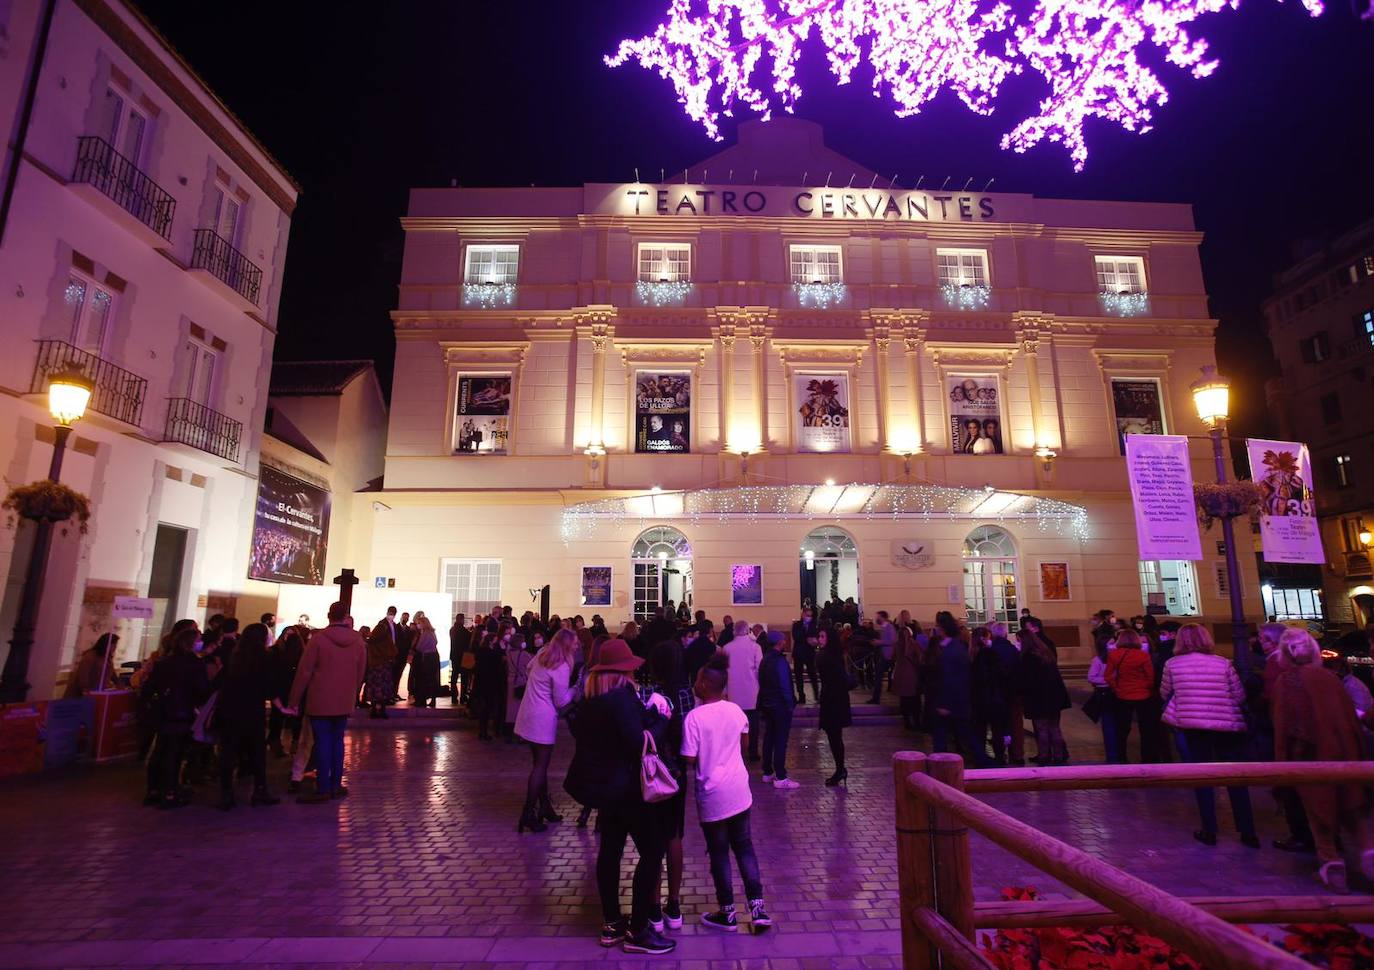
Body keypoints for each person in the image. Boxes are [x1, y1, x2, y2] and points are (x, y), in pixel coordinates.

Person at [563, 639, 675, 955]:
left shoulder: (589, 701)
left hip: (603, 789)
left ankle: (611, 923)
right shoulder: (619, 700)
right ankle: (639, 930)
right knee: (652, 852)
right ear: (621, 672)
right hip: (628, 789)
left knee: (610, 852)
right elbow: (639, 741)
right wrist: (661, 717)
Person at [1272, 629, 1374, 893]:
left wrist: (1281, 765)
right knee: (1354, 811)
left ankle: (1332, 865)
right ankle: (1368, 856)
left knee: (1319, 814)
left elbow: (1284, 725)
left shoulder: (1288, 681)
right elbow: (1350, 718)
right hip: (1345, 752)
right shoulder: (1330, 677)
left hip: (1311, 754)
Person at [682, 652, 771, 933]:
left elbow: (690, 758)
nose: (695, 683)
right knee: (744, 847)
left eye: (698, 679)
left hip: (712, 793)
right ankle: (757, 909)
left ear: (706, 685)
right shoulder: (736, 711)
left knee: (719, 852)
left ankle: (728, 912)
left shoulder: (694, 718)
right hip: (738, 790)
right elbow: (744, 744)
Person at [1159, 624, 1259, 849]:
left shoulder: (1172, 664)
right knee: (1235, 778)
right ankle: (1248, 831)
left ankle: (1209, 829)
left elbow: (1165, 693)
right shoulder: (1223, 663)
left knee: (1203, 777)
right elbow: (1239, 695)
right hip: (1227, 725)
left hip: (1192, 725)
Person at [287, 602, 367, 803]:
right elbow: (360, 672)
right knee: (337, 741)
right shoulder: (357, 640)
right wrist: (353, 693)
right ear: (345, 617)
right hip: (343, 700)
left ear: (329, 615)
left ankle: (322, 787)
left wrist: (294, 699)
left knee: (321, 742)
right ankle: (335, 784)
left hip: (320, 699)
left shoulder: (318, 639)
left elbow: (304, 671)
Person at [642, 637, 693, 932]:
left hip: (652, 771)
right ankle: (673, 903)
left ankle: (653, 906)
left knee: (653, 840)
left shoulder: (649, 693)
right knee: (675, 836)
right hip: (677, 772)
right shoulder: (685, 694)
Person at [514, 628, 579, 833]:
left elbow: (528, 669)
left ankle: (544, 807)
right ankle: (528, 812)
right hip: (543, 717)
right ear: (567, 645)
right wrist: (576, 689)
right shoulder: (561, 666)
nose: (577, 646)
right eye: (575, 643)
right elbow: (561, 700)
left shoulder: (542, 654)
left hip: (528, 711)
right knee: (541, 766)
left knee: (538, 764)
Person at [214, 623, 281, 811]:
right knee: (257, 751)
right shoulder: (265, 658)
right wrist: (282, 707)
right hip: (253, 710)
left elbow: (218, 682)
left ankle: (226, 793)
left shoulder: (234, 656)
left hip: (229, 709)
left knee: (228, 752)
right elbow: (270, 687)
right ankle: (260, 790)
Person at [141, 625, 208, 808]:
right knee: (175, 753)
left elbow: (149, 687)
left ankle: (153, 789)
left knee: (160, 750)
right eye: (198, 640)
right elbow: (201, 690)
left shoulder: (164, 662)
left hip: (163, 712)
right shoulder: (194, 663)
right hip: (182, 712)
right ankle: (170, 791)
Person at [930, 622, 983, 764]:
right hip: (956, 699)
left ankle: (939, 764)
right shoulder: (955, 647)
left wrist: (944, 702)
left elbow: (951, 677)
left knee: (955, 733)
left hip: (953, 700)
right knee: (963, 733)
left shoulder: (952, 650)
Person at [1019, 628, 1070, 766]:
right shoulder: (1046, 654)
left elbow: (1027, 681)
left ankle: (1044, 754)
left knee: (1041, 728)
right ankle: (1059, 755)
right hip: (1054, 697)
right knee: (1054, 727)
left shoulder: (1028, 658)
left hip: (1039, 698)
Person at [1105, 629, 1155, 763]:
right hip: (1143, 695)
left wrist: (1117, 688)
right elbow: (1150, 676)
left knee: (1122, 729)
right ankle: (1147, 758)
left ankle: (1122, 758)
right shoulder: (1143, 655)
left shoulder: (1114, 654)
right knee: (1145, 729)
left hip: (1123, 695)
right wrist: (1146, 687)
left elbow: (1108, 676)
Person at [756, 630, 799, 789]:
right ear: (780, 642)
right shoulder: (779, 661)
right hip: (780, 705)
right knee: (781, 740)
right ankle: (781, 776)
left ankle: (767, 772)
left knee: (769, 738)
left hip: (767, 703)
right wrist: (790, 705)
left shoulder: (765, 659)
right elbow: (785, 685)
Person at [979, 622, 1020, 765]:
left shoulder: (991, 650)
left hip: (995, 693)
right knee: (1011, 724)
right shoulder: (1012, 649)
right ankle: (1014, 753)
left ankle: (999, 755)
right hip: (1010, 692)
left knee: (997, 727)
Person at [722, 620, 762, 762]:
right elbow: (759, 669)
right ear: (747, 630)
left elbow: (724, 671)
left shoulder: (727, 648)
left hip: (733, 691)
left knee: (734, 724)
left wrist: (725, 690)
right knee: (753, 723)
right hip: (752, 690)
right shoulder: (755, 647)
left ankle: (736, 750)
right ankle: (752, 751)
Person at [816, 627, 851, 786]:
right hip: (834, 698)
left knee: (835, 736)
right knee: (835, 736)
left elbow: (836, 677)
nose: (820, 639)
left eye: (823, 636)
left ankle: (840, 769)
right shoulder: (832, 655)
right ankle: (840, 769)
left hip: (834, 700)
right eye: (819, 636)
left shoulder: (827, 656)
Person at [1087, 632, 1120, 763]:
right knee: (1109, 726)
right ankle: (1112, 756)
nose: (1114, 645)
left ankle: (1119, 754)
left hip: (1118, 694)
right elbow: (1091, 677)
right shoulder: (1098, 660)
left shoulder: (1119, 657)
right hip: (1106, 695)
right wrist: (1109, 680)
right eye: (1111, 643)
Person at [470, 631, 506, 741]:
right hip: (490, 683)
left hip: (481, 683)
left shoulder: (480, 652)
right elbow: (497, 668)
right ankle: (484, 731)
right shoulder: (492, 654)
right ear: (491, 641)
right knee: (488, 707)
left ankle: (482, 730)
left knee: (483, 707)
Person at [365, 619, 397, 719]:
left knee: (374, 688)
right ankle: (382, 710)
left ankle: (373, 709)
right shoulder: (386, 640)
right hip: (384, 667)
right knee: (383, 689)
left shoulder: (371, 641)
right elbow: (393, 652)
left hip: (374, 667)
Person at [892, 623, 922, 732]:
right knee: (915, 700)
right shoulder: (914, 644)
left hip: (900, 674)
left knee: (904, 700)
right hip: (912, 675)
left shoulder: (897, 645)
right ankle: (917, 722)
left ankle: (907, 722)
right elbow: (919, 658)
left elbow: (893, 657)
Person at [504, 627, 533, 740]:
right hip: (521, 682)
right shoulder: (524, 655)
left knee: (510, 708)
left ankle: (509, 733)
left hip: (510, 680)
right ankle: (520, 734)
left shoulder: (508, 654)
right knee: (520, 708)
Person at [790, 607, 821, 704]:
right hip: (799, 653)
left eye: (810, 616)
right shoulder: (796, 625)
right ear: (802, 615)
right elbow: (796, 637)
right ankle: (801, 696)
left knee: (813, 675)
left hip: (809, 653)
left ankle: (817, 695)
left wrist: (814, 641)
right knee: (798, 676)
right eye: (807, 616)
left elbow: (816, 637)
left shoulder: (814, 625)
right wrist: (807, 637)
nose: (809, 618)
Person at [411, 615, 441, 708]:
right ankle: (432, 699)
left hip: (427, 657)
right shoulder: (432, 632)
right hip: (433, 656)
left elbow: (419, 647)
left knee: (424, 679)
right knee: (432, 678)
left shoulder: (425, 633)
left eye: (419, 623)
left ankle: (422, 699)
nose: (418, 625)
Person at [871, 611, 898, 703]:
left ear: (883, 617)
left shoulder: (889, 627)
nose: (876, 619)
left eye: (878, 617)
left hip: (887, 655)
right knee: (878, 676)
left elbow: (892, 640)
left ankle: (876, 698)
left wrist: (879, 642)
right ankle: (875, 697)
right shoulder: (884, 627)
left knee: (878, 676)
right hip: (884, 654)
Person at [449, 613, 471, 704]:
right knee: (464, 677)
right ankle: (463, 697)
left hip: (454, 655)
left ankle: (454, 696)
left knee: (454, 676)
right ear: (462, 620)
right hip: (464, 656)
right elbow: (468, 641)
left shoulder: (452, 630)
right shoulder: (464, 631)